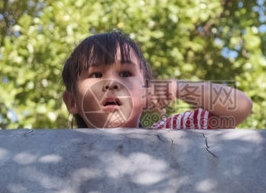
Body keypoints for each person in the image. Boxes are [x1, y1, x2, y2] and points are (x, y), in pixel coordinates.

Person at [61, 30, 253, 129]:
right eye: (96, 75)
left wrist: (179, 89)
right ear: (72, 102)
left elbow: (241, 107)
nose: (112, 84)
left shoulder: (167, 132)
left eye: (126, 74)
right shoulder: (59, 151)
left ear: (146, 91)